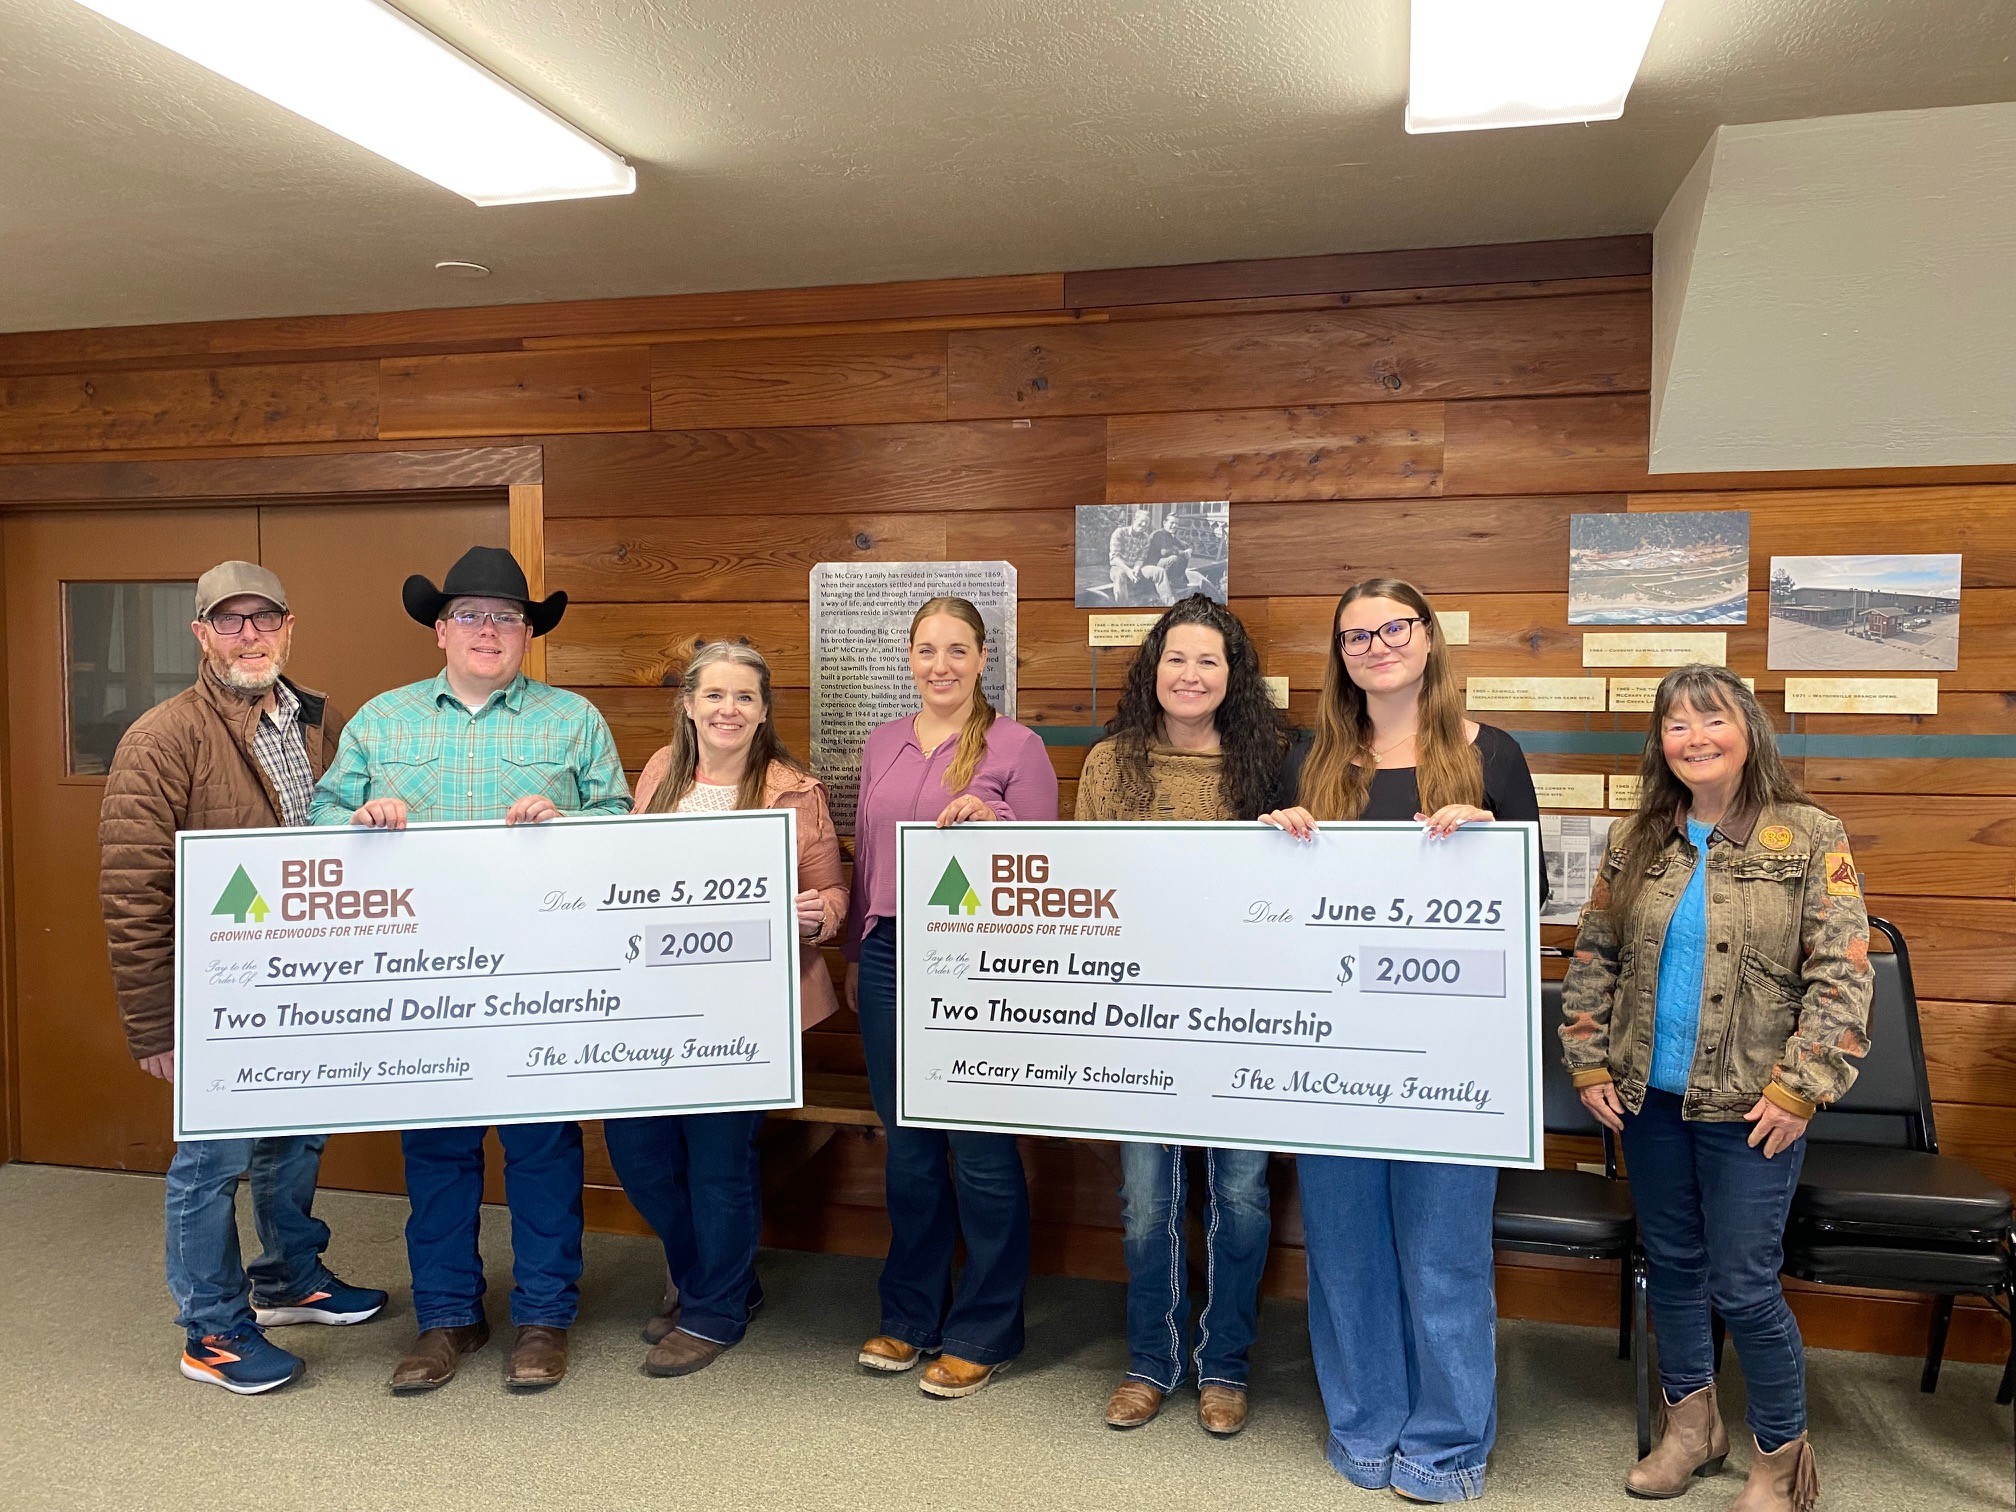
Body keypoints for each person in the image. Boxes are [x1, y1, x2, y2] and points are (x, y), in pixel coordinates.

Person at [310, 546, 629, 1394]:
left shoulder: (572, 721)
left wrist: (566, 821)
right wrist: (363, 816)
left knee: (542, 1153)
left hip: (541, 976)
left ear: (528, 635)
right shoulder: (383, 722)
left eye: (507, 618)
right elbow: (321, 817)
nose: (489, 631)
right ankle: (448, 1316)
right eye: (471, 616)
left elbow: (622, 825)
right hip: (425, 983)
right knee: (439, 1154)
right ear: (441, 631)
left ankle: (544, 1319)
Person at [1260, 576, 1547, 1503]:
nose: (1376, 646)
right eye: (1355, 636)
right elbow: (1260, 905)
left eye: (1393, 629)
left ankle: (1447, 1446)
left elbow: (1531, 895)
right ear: (1339, 655)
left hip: (1451, 1055)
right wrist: (1270, 837)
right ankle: (1365, 1427)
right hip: (1330, 1052)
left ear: (1427, 638)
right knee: (1344, 1252)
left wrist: (1491, 837)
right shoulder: (1309, 759)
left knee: (1443, 1254)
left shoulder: (1490, 753)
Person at [1560, 664, 1871, 1512]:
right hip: (1648, 1100)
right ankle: (1692, 1430)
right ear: (1659, 743)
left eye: (1712, 720)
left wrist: (1801, 1087)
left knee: (1744, 1282)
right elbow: (1594, 958)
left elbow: (1841, 979)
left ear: (1749, 730)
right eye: (1676, 725)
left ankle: (1779, 1457)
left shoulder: (1808, 835)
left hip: (1753, 1107)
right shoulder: (1638, 841)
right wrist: (1588, 1059)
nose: (1695, 739)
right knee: (1675, 1268)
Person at [99, 560, 387, 1395]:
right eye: (230, 622)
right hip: (215, 997)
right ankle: (212, 1329)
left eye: (264, 619)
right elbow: (131, 890)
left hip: (299, 983)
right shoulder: (162, 738)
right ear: (201, 635)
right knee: (212, 1160)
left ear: (289, 627)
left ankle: (290, 1278)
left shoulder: (314, 719)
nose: (249, 635)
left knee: (294, 1140)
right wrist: (157, 1028)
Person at [1075, 595, 1289, 1436]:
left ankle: (1225, 1364)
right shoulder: (1108, 764)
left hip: (1247, 1018)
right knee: (1145, 1200)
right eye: (1175, 659)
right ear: (1152, 671)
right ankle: (1149, 1360)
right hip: (1137, 1017)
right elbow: (1084, 890)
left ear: (1232, 676)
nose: (1190, 674)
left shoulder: (1273, 762)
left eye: (1208, 661)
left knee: (1241, 1194)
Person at [606, 638, 847, 1378]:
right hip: (654, 1002)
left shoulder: (795, 790)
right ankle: (716, 1274)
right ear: (688, 705)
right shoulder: (657, 774)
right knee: (637, 1152)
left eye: (744, 696)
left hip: (748, 1009)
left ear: (765, 709)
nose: (728, 709)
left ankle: (713, 1310)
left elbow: (834, 896)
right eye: (713, 695)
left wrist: (818, 915)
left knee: (718, 1161)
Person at [843, 595, 1059, 1398]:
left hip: (978, 963)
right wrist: (856, 948)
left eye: (957, 649)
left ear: (982, 658)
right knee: (907, 1147)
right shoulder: (882, 743)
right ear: (910, 658)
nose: (941, 665)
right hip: (889, 950)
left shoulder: (1017, 745)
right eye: (927, 650)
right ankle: (909, 1315)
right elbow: (867, 854)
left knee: (980, 1151)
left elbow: (1043, 868)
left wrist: (992, 812)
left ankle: (987, 1326)